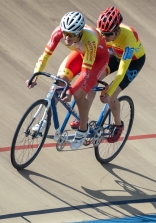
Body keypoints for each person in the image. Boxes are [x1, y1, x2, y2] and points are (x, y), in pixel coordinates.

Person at [26, 11, 109, 150]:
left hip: (97, 60)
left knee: (78, 94)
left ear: (80, 32)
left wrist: (70, 91)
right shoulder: (59, 32)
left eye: (71, 34)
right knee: (59, 83)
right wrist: (35, 75)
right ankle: (45, 121)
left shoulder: (90, 40)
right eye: (65, 32)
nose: (67, 37)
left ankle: (83, 129)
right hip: (79, 52)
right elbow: (45, 56)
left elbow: (85, 74)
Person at [70, 6, 146, 143]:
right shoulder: (105, 32)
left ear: (117, 31)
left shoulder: (129, 38)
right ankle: (84, 117)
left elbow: (122, 71)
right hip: (114, 55)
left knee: (111, 96)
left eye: (108, 35)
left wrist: (109, 91)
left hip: (132, 62)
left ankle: (118, 125)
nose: (104, 37)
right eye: (102, 34)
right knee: (91, 81)